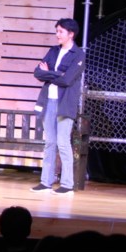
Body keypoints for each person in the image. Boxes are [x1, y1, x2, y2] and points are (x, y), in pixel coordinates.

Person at [30, 18, 85, 195]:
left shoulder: (78, 54)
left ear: (71, 34)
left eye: (60, 32)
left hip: (65, 104)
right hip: (49, 101)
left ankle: (67, 184)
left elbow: (67, 79)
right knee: (50, 143)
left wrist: (49, 73)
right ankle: (46, 181)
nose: (57, 35)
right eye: (57, 31)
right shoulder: (53, 51)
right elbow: (38, 73)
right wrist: (53, 73)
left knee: (63, 142)